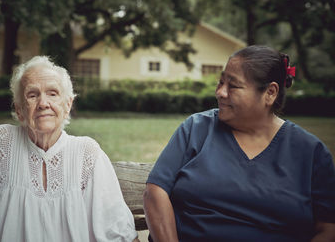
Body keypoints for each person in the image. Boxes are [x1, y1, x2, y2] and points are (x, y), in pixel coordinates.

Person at [143, 45, 335, 242]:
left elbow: (328, 228)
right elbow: (155, 191)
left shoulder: (311, 153)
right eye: (220, 82)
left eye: (232, 86)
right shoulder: (197, 128)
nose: (220, 92)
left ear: (270, 92)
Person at [0, 56, 139, 242]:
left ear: (67, 104)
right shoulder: (0, 141)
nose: (43, 103)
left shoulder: (86, 152)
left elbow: (120, 233)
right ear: (19, 109)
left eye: (52, 94)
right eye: (32, 95)